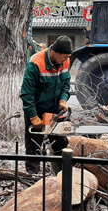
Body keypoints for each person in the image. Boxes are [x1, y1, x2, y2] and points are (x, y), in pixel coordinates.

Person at [20, 36, 73, 174]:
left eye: (68, 57)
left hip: (54, 110)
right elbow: (27, 93)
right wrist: (33, 116)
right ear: (55, 52)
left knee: (60, 143)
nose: (66, 60)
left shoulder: (65, 62)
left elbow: (66, 84)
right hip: (36, 109)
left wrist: (63, 100)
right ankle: (32, 175)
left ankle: (62, 173)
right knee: (34, 146)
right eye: (64, 57)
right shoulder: (36, 63)